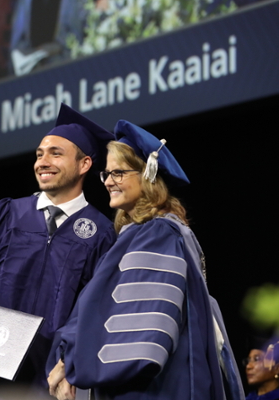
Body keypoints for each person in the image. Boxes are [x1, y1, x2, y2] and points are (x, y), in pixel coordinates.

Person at [0, 104, 117, 399]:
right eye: (39, 154)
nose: (43, 161)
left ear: (84, 164)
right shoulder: (3, 215)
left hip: (50, 384)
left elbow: (99, 311)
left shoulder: (100, 233)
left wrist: (74, 362)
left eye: (56, 153)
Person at [47, 120, 245, 400]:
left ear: (149, 175)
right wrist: (66, 354)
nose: (107, 181)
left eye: (118, 172)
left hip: (154, 388)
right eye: (106, 173)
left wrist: (73, 360)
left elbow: (138, 326)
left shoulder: (159, 233)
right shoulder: (137, 235)